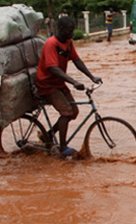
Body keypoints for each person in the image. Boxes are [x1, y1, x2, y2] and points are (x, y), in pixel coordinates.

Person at [35, 16, 102, 158]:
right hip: (47, 84)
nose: (71, 34)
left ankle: (47, 135)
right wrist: (73, 82)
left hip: (58, 83)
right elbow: (53, 68)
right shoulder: (51, 44)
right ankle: (62, 147)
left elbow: (77, 61)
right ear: (61, 29)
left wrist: (91, 76)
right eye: (69, 31)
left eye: (73, 31)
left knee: (74, 112)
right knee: (66, 112)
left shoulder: (68, 43)